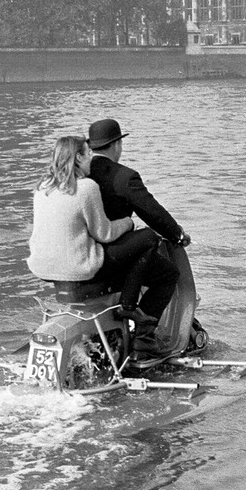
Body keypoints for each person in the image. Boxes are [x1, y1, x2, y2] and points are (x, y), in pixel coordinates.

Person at [27, 135, 179, 328]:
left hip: (42, 267)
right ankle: (130, 308)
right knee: (148, 237)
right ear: (79, 158)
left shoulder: (42, 188)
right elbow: (104, 233)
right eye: (88, 153)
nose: (92, 158)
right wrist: (128, 223)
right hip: (79, 268)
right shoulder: (86, 188)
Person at [84, 119, 197, 343]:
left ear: (91, 147)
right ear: (117, 145)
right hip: (111, 259)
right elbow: (151, 211)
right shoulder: (124, 176)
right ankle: (144, 338)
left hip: (81, 256)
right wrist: (178, 235)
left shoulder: (78, 176)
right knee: (168, 274)